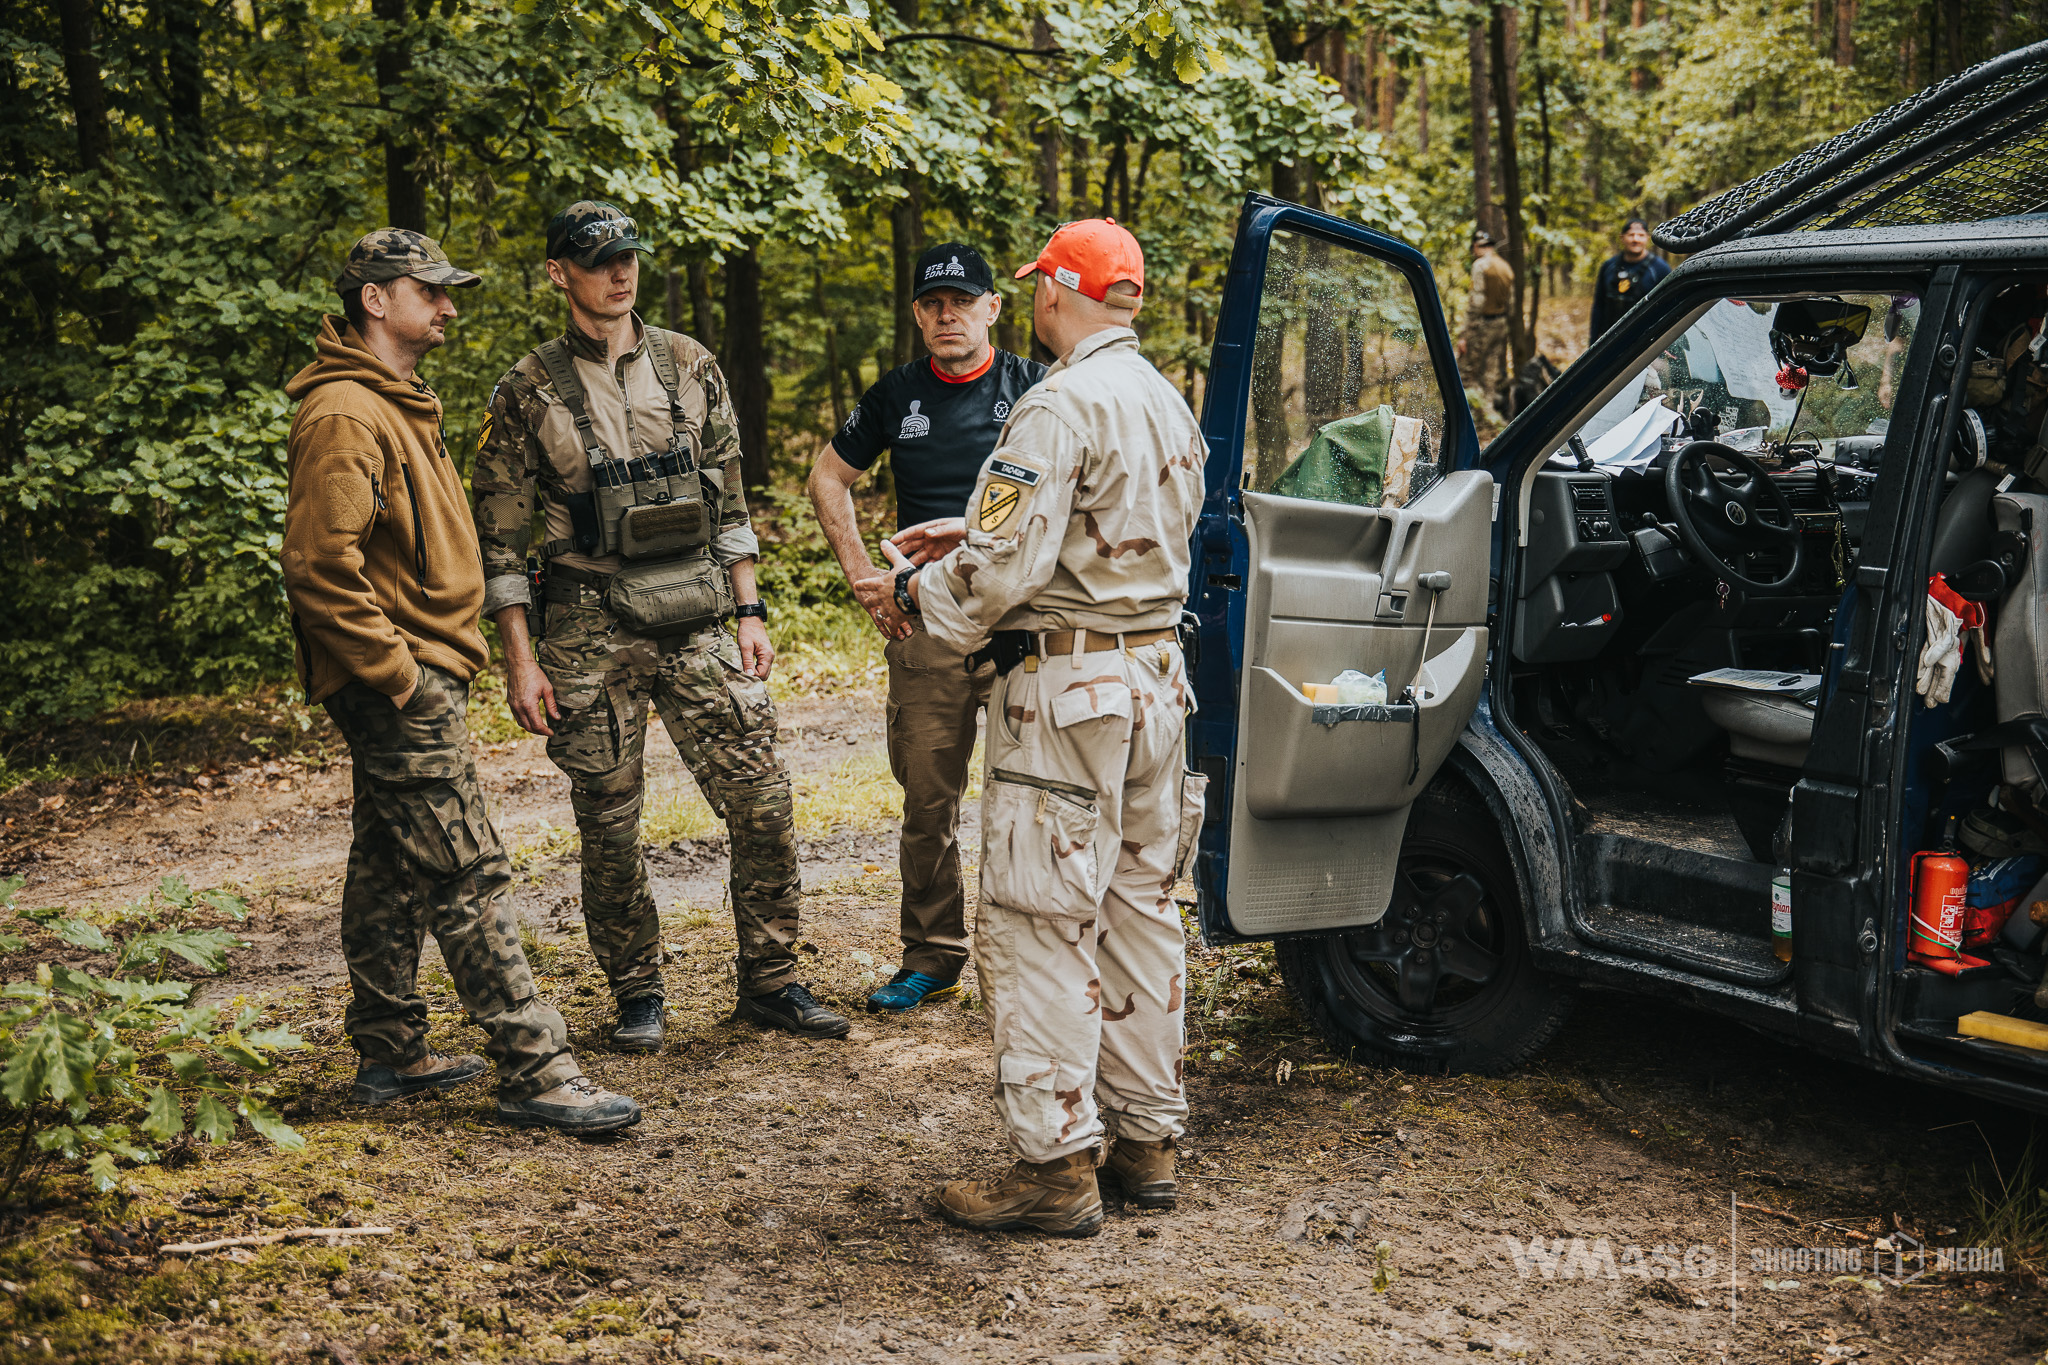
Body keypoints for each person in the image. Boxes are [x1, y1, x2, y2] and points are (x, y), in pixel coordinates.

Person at [859, 219, 1208, 1238]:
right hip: (1153, 681)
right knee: (1140, 908)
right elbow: (1118, 528)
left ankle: (1054, 1165)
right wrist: (975, 526)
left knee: (1038, 918)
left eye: (1035, 288)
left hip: (1065, 694)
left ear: (1056, 291)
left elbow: (1000, 578)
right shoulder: (1160, 399)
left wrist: (920, 589)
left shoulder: (1055, 405)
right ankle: (1147, 1140)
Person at [282, 228, 640, 1135]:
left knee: (391, 857)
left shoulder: (396, 400)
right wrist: (399, 676)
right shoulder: (345, 415)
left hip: (422, 664)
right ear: (376, 299)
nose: (447, 306)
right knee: (467, 865)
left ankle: (389, 1048)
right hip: (400, 676)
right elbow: (322, 569)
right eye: (429, 291)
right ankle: (536, 1065)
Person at [471, 201, 849, 1051]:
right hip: (585, 624)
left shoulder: (689, 364)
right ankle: (637, 989)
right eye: (598, 259)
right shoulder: (526, 390)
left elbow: (733, 497)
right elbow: (499, 541)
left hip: (698, 615)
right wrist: (520, 663)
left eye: (628, 257)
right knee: (608, 821)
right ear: (558, 272)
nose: (619, 272)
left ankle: (774, 977)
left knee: (761, 796)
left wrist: (749, 608)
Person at [807, 243, 1047, 1015]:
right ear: (918, 315)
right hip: (927, 625)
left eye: (963, 301)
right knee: (928, 804)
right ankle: (933, 956)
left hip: (1018, 622)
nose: (948, 315)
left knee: (1036, 800)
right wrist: (864, 583)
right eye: (933, 304)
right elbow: (828, 476)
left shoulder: (1036, 391)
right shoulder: (895, 395)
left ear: (992, 308)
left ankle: (1029, 960)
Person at [1589, 217, 1671, 344]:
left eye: (1640, 235)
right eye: (1631, 235)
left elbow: (1669, 308)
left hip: (1645, 342)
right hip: (1609, 339)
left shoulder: (1660, 269)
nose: (1635, 240)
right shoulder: (1608, 267)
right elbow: (1598, 305)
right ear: (1622, 237)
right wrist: (1593, 341)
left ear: (1647, 238)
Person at [1458, 229, 1515, 406]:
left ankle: (1467, 408)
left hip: (1483, 324)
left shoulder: (1481, 265)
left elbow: (1477, 300)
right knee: (1491, 369)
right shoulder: (1505, 266)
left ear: (1477, 246)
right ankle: (1487, 406)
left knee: (1467, 368)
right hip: (1501, 323)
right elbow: (1511, 300)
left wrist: (1465, 333)